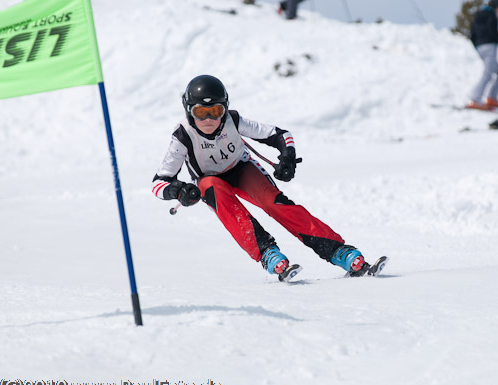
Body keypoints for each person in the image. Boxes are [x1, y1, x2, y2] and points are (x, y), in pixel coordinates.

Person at [152, 75, 380, 282]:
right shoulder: (182, 136)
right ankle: (267, 253)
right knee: (213, 187)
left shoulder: (233, 120)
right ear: (189, 111)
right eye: (201, 112)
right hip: (210, 181)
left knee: (274, 203)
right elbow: (159, 182)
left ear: (226, 109)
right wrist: (179, 190)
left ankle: (338, 250)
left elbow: (279, 134)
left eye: (216, 111)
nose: (210, 119)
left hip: (241, 169)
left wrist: (287, 156)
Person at [466, 0, 498, 111]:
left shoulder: (479, 14)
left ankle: (492, 98)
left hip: (481, 47)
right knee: (488, 74)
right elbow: (492, 31)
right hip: (490, 47)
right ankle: (475, 99)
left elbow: (472, 34)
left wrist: (478, 46)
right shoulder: (492, 15)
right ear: (496, 7)